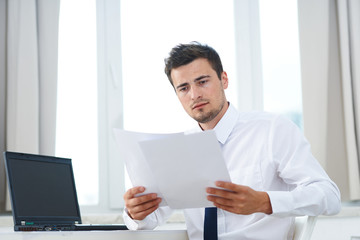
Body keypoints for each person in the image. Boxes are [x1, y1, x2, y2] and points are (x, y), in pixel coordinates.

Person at [122, 42, 341, 239]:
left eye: (202, 81)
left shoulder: (272, 130)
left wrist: (265, 202)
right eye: (184, 88)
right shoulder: (178, 150)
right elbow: (150, 219)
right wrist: (135, 212)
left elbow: (329, 196)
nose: (194, 95)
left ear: (223, 79)